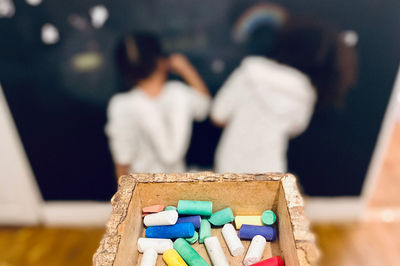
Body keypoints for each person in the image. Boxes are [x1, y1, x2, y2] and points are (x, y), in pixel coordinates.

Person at [211, 18, 357, 173]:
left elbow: (218, 114)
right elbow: (295, 128)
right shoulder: (305, 93)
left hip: (229, 166)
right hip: (271, 171)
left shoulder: (250, 71)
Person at [105, 32, 211, 177]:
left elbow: (122, 159)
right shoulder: (179, 93)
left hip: (143, 192)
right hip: (177, 188)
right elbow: (204, 105)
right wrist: (186, 69)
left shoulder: (122, 105)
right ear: (161, 61)